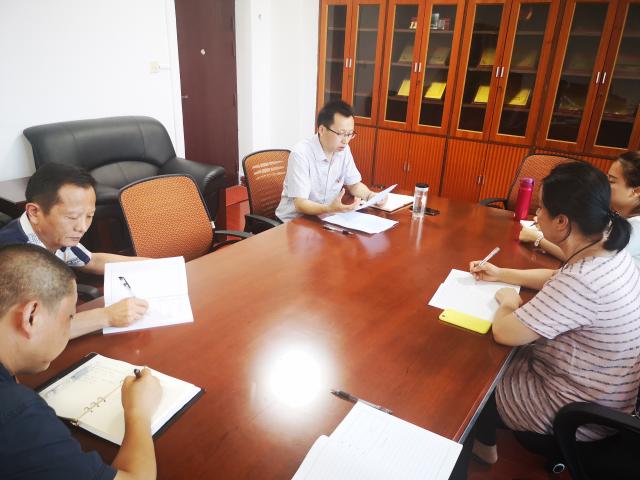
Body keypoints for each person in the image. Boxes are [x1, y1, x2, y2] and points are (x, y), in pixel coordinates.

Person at [458, 162, 640, 476]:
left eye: (542, 208)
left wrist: (509, 302)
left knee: (471, 377)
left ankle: (467, 449)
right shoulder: (608, 249)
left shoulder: (584, 281)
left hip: (576, 410)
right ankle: (484, 444)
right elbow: (557, 277)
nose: (537, 215)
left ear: (562, 221)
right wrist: (501, 273)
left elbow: (505, 331)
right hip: (605, 393)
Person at [0, 244, 161, 480]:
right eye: (70, 317)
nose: (69, 329)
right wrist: (138, 411)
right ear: (31, 316)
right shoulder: (18, 414)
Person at [0, 163, 149, 338]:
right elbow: (33, 332)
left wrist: (160, 265)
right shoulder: (13, 257)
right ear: (34, 212)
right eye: (72, 217)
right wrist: (107, 316)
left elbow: (92, 260)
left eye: (89, 216)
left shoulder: (53, 234)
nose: (82, 227)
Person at [519, 151, 640, 265]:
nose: (604, 185)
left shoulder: (635, 229)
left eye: (611, 181)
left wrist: (537, 238)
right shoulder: (618, 216)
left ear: (637, 191)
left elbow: (584, 256)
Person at [275, 100, 386, 222]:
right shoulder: (301, 154)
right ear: (322, 130)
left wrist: (370, 196)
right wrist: (329, 209)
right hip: (294, 222)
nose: (346, 141)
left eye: (350, 134)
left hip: (324, 219)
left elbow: (354, 185)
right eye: (341, 134)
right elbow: (300, 203)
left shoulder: (344, 150)